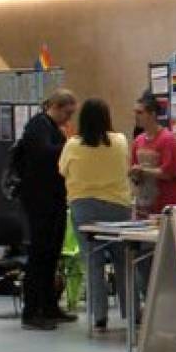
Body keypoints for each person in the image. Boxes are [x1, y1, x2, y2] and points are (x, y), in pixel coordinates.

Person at [61, 97, 131, 333]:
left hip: (84, 207)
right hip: (118, 206)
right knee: (123, 261)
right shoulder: (120, 140)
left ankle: (99, 317)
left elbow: (62, 170)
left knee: (93, 261)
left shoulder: (72, 144)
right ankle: (132, 311)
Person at [13, 87, 77, 330]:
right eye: (67, 113)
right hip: (39, 200)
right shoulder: (38, 126)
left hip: (55, 197)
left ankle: (49, 304)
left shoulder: (52, 128)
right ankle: (32, 310)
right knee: (39, 254)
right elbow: (43, 154)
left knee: (52, 253)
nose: (68, 119)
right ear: (57, 107)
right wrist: (70, 147)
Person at [129, 93, 176, 216]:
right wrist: (134, 174)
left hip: (164, 207)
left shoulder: (168, 139)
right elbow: (134, 171)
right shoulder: (138, 141)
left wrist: (143, 170)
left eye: (140, 113)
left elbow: (168, 173)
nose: (136, 116)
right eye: (135, 112)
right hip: (143, 206)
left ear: (152, 114)